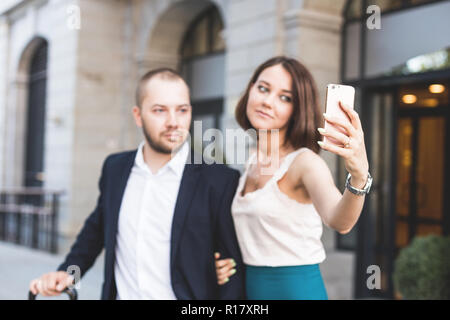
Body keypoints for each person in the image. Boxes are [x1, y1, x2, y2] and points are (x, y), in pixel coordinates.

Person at [29, 68, 245, 300]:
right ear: (138, 115)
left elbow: (232, 271)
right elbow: (95, 232)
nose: (173, 122)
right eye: (159, 110)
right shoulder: (115, 168)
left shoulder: (219, 180)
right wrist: (68, 273)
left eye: (182, 110)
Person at [214, 56, 371, 300]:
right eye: (263, 88)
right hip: (251, 290)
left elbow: (341, 221)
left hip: (296, 291)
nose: (268, 101)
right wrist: (224, 265)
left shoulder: (304, 162)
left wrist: (359, 176)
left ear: (297, 109)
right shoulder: (251, 162)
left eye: (284, 97)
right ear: (250, 90)